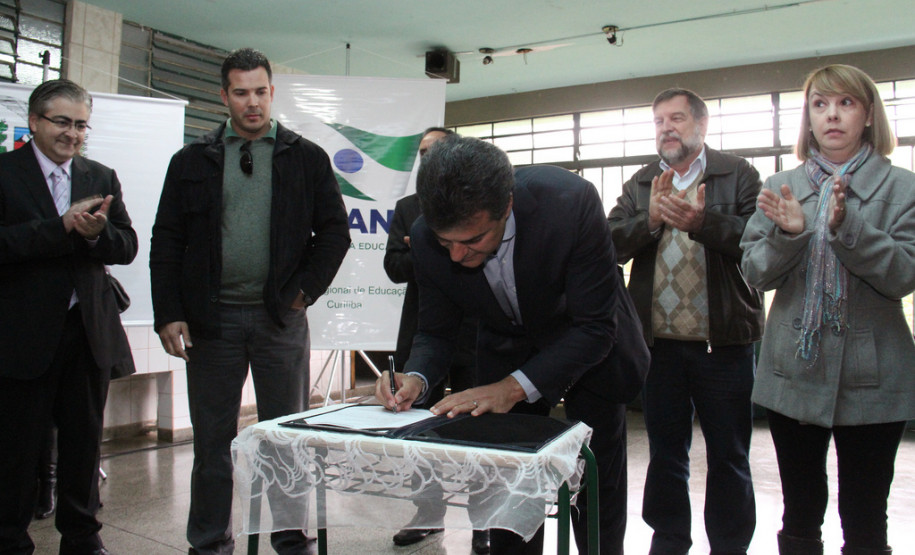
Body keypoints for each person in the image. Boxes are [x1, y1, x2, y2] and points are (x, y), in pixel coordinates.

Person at [375, 136, 646, 555]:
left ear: (506, 206)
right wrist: (416, 376)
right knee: (506, 490)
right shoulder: (426, 237)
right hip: (506, 347)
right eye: (447, 243)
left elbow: (594, 327)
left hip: (589, 347)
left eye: (473, 240)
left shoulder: (569, 202)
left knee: (595, 485)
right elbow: (435, 331)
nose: (456, 256)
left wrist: (512, 388)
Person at [150, 48, 350, 555]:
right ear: (224, 96)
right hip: (210, 322)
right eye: (241, 93)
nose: (252, 102)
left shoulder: (306, 157)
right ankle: (209, 540)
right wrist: (168, 312)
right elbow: (167, 239)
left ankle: (290, 536)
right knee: (212, 442)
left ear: (272, 92)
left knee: (287, 438)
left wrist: (304, 292)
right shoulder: (191, 161)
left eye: (260, 91)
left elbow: (334, 232)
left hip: (280, 319)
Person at [741, 64, 915, 555]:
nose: (831, 115)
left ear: (868, 115)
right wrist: (790, 235)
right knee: (799, 509)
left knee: (865, 515)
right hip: (793, 368)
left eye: (845, 103)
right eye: (820, 104)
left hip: (874, 373)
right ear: (809, 118)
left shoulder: (902, 187)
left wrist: (847, 227)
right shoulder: (782, 184)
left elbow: (904, 275)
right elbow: (754, 272)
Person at [608, 88, 764, 554]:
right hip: (657, 348)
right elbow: (608, 242)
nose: (666, 128)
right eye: (659, 121)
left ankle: (730, 546)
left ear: (701, 124)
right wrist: (650, 220)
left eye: (676, 118)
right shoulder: (641, 183)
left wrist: (703, 223)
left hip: (724, 345)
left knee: (729, 454)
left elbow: (760, 241)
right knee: (666, 454)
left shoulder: (737, 174)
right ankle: (669, 540)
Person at [0, 78, 138, 555]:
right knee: (16, 449)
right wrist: (58, 228)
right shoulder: (5, 173)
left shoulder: (100, 177)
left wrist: (98, 235)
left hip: (87, 333)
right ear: (34, 121)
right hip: (22, 336)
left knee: (84, 444)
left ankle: (82, 538)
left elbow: (127, 245)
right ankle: (10, 539)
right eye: (62, 122)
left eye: (81, 125)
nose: (72, 134)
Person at [383, 127, 489, 554]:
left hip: (476, 330)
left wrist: (435, 246)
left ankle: (484, 523)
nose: (428, 159)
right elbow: (394, 266)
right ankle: (427, 512)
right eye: (422, 153)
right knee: (420, 427)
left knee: (480, 428)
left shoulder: (478, 201)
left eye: (436, 150)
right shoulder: (408, 207)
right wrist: (424, 251)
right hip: (425, 327)